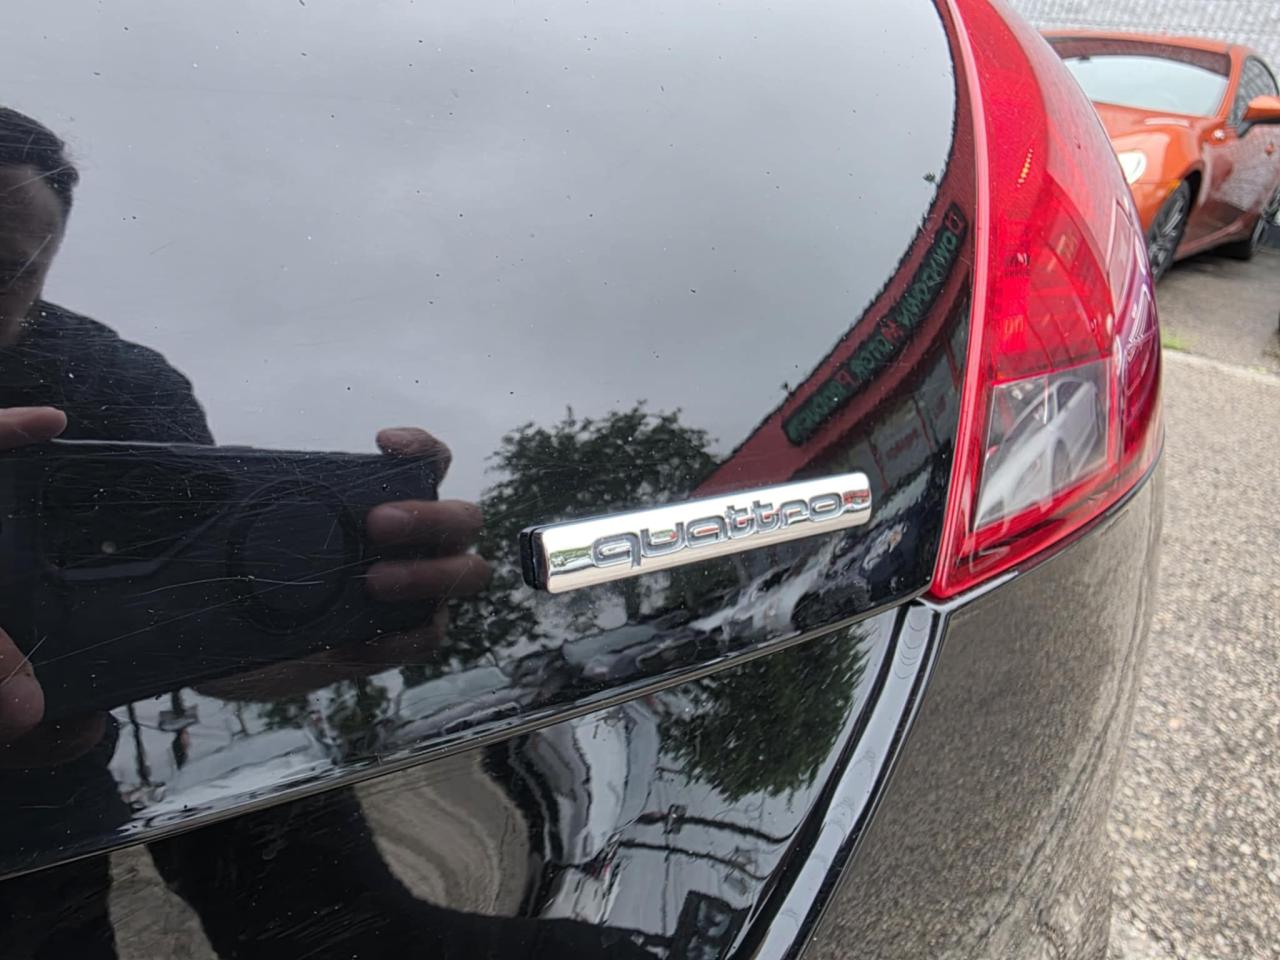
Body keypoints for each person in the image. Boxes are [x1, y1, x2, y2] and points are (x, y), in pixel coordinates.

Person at [0, 107, 648, 959]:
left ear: (44, 264)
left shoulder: (115, 389)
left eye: (4, 271)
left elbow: (206, 646)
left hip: (39, 806)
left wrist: (337, 638)